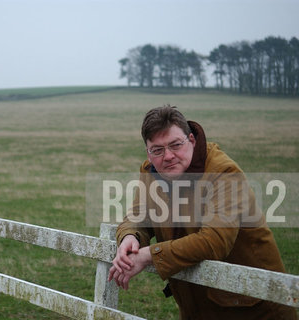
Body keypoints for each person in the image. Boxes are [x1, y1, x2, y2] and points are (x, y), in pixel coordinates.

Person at [107, 105, 297, 320]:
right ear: (148, 153)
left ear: (192, 140)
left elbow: (214, 240)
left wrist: (149, 255)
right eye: (157, 150)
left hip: (253, 306)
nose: (168, 156)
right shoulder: (152, 171)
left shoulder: (224, 172)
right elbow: (138, 216)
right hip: (197, 306)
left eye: (175, 145)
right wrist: (130, 236)